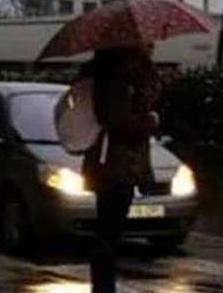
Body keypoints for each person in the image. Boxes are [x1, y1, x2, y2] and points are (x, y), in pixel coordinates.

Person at [79, 44, 161, 293]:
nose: (151, 46)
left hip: (117, 166)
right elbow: (119, 122)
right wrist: (151, 121)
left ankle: (104, 286)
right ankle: (104, 288)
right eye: (145, 44)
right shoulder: (116, 82)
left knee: (110, 231)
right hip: (114, 166)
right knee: (109, 234)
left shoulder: (121, 79)